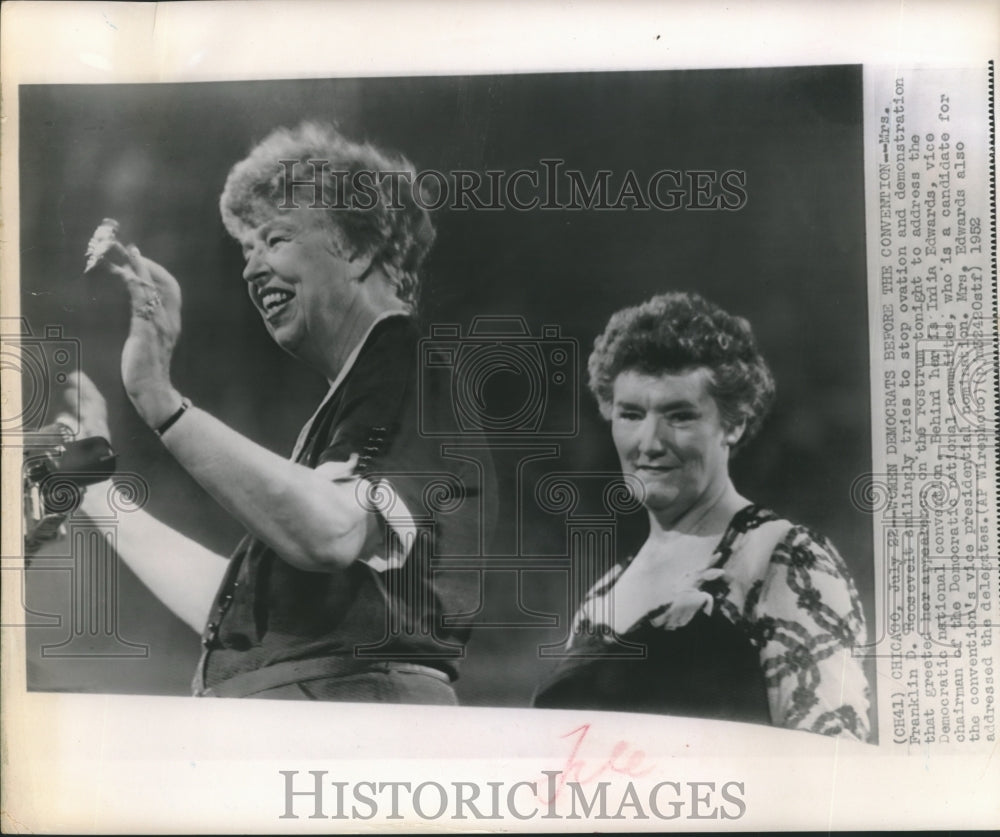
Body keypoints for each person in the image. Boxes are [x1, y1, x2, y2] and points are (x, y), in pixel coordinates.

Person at [74, 121, 495, 703]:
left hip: (346, 731)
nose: (249, 269)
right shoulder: (358, 399)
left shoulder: (404, 365)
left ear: (359, 248)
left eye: (274, 240)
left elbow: (332, 531)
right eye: (246, 250)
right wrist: (91, 491)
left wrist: (160, 401)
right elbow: (239, 618)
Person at [532, 291, 871, 741]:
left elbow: (833, 768)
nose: (649, 443)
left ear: (734, 423)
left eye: (680, 416)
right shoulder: (603, 593)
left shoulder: (785, 559)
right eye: (631, 414)